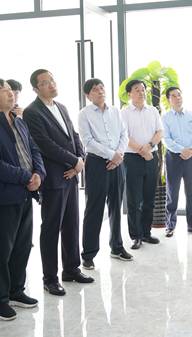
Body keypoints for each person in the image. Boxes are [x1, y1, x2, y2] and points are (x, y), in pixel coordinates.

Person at [0, 78, 45, 321]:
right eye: (3, 90)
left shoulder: (19, 121)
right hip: (3, 198)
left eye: (10, 89)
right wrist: (27, 177)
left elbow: (34, 150)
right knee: (1, 251)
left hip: (25, 194)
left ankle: (16, 291)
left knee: (22, 247)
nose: (10, 93)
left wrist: (39, 174)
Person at [23, 69, 93, 296]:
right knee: (51, 229)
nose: (51, 84)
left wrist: (80, 160)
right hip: (54, 178)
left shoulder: (61, 106)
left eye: (52, 80)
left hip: (71, 175)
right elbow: (44, 144)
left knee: (72, 224)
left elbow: (74, 136)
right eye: (45, 82)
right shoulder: (32, 112)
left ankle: (71, 269)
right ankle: (50, 278)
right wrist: (74, 161)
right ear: (36, 89)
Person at [77, 78, 133, 269]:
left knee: (116, 206)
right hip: (96, 163)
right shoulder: (83, 114)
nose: (100, 91)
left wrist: (118, 156)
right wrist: (111, 155)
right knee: (94, 208)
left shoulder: (115, 111)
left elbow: (124, 136)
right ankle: (88, 254)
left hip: (117, 162)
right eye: (95, 89)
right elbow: (87, 141)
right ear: (88, 95)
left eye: (102, 87)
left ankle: (117, 247)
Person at [120, 79, 164, 250]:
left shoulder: (153, 110)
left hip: (151, 158)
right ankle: (136, 236)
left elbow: (160, 131)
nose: (142, 92)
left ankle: (146, 232)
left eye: (143, 89)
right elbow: (124, 136)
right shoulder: (124, 113)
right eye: (137, 90)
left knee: (149, 199)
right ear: (129, 94)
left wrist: (149, 147)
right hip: (132, 159)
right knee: (134, 200)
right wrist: (141, 150)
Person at [161, 86, 192, 237]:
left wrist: (189, 151)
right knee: (172, 192)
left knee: (191, 191)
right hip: (173, 157)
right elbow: (166, 139)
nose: (177, 97)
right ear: (168, 100)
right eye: (173, 96)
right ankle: (170, 225)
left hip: (191, 156)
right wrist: (182, 150)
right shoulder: (165, 118)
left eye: (179, 95)